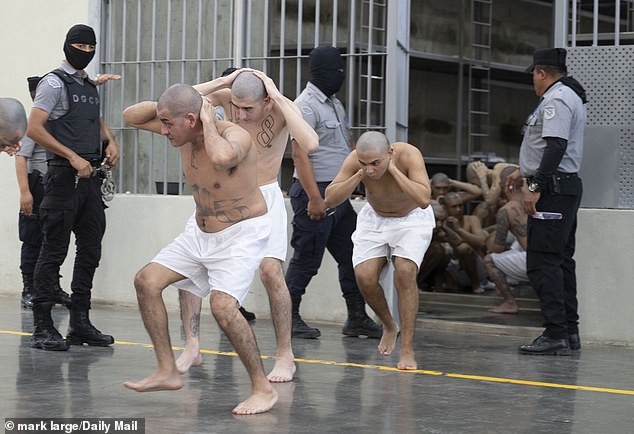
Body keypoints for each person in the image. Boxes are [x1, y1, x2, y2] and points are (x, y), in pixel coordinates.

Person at [122, 84, 278, 415]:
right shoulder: (181, 133)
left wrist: (207, 118)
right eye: (162, 122)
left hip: (241, 233)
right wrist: (183, 99)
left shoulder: (234, 135)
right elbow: (130, 117)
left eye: (168, 123)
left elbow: (222, 157)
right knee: (146, 281)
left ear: (192, 119)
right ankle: (166, 370)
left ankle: (263, 389)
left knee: (222, 308)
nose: (163, 131)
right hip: (200, 232)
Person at [170, 68, 319, 381]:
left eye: (248, 108)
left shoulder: (280, 108)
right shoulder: (227, 97)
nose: (239, 114)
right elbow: (178, 101)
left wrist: (277, 95)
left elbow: (310, 142)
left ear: (265, 102)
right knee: (192, 267)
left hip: (262, 195)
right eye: (235, 107)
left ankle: (284, 353)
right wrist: (225, 82)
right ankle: (192, 344)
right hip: (220, 192)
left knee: (270, 271)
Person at [26, 24, 120, 351]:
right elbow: (34, 128)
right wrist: (72, 155)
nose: (85, 50)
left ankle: (80, 322)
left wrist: (109, 140)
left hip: (90, 180)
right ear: (67, 45)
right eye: (79, 45)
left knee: (91, 250)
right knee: (53, 251)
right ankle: (42, 325)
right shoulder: (53, 83)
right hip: (62, 178)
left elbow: (93, 118)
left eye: (90, 46)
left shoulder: (87, 84)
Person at [285, 44, 381, 339]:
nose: (340, 75)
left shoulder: (334, 104)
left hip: (338, 194)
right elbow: (299, 155)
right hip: (316, 193)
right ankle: (287, 318)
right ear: (320, 72)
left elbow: (347, 145)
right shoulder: (304, 106)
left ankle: (356, 318)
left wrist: (359, 182)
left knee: (352, 255)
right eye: (335, 70)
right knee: (306, 260)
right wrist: (315, 198)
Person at [324, 131, 435, 370]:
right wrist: (358, 175)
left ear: (390, 153)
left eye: (376, 163)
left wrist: (393, 170)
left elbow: (424, 198)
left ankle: (406, 347)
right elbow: (330, 199)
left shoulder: (408, 155)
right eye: (365, 163)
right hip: (375, 218)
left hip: (412, 218)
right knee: (364, 276)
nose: (370, 169)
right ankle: (388, 324)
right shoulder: (357, 161)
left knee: (404, 271)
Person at [514, 48, 586, 356]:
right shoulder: (567, 95)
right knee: (560, 261)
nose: (533, 79)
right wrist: (523, 172)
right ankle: (569, 331)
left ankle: (556, 332)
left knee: (543, 263)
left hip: (553, 191)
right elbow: (545, 147)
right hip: (562, 188)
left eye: (533, 73)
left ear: (542, 73)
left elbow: (556, 146)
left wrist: (534, 184)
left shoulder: (556, 99)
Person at [15, 77, 70, 309]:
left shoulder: (58, 123)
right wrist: (25, 193)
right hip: (37, 185)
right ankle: (29, 289)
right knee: (32, 238)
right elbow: (21, 157)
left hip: (56, 186)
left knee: (54, 239)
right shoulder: (32, 125)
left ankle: (51, 287)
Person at [484, 166, 529, 314]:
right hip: (550, 257)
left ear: (506, 185)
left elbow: (497, 248)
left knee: (489, 260)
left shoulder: (506, 210)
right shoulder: (535, 200)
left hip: (532, 261)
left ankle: (510, 303)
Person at [439, 192, 487, 293]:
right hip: (451, 270)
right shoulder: (440, 223)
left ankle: (476, 285)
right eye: (454, 207)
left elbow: (482, 242)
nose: (458, 209)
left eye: (460, 205)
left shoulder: (471, 219)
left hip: (475, 270)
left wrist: (459, 230)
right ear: (446, 208)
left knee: (464, 248)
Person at [416, 203, 452, 292]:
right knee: (437, 250)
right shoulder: (419, 225)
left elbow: (456, 242)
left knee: (446, 251)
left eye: (442, 221)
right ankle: (416, 283)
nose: (439, 224)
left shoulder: (440, 228)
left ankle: (435, 284)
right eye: (436, 220)